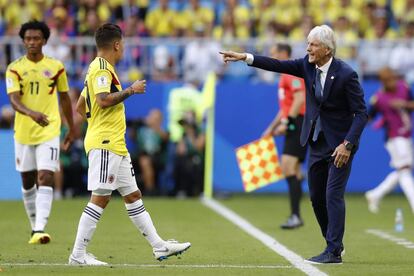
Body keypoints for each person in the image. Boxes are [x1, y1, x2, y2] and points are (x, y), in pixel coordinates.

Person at [220, 24, 368, 264]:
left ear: (327, 50)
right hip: (316, 142)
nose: (308, 48)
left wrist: (348, 144)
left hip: (340, 146)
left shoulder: (346, 74)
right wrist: (244, 57)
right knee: (316, 198)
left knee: (333, 195)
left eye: (313, 44)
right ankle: (334, 245)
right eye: (308, 43)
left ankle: (332, 251)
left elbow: (361, 113)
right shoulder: (306, 66)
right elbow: (276, 64)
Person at [68, 23, 190, 266]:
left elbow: (82, 107)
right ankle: (78, 255)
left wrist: (97, 123)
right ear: (116, 44)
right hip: (105, 142)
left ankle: (158, 246)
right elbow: (102, 101)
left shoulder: (95, 68)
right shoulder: (102, 69)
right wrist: (131, 90)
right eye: (122, 44)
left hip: (114, 143)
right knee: (100, 197)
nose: (123, 48)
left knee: (133, 195)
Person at [5, 20, 74, 244]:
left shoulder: (56, 67)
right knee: (27, 180)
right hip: (24, 132)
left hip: (49, 129)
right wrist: (31, 113)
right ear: (23, 41)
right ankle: (34, 223)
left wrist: (71, 128)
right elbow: (14, 100)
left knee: (45, 175)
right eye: (28, 39)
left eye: (36, 38)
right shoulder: (14, 68)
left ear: (44, 41)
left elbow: (64, 97)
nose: (32, 42)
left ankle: (39, 229)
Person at [262, 43, 307, 230]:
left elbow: (300, 98)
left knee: (287, 167)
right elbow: (285, 107)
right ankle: (296, 210)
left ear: (283, 54)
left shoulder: (291, 74)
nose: (271, 58)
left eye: (273, 54)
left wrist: (287, 123)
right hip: (294, 121)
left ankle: (296, 216)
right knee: (292, 170)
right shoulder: (284, 77)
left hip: (299, 122)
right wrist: (271, 127)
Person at [365, 67, 414, 213]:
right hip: (393, 137)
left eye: (393, 78)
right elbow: (369, 116)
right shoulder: (378, 98)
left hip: (406, 134)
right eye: (388, 80)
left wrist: (403, 104)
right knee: (404, 170)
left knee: (402, 170)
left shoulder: (404, 88)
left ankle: (375, 194)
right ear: (383, 82)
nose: (392, 82)